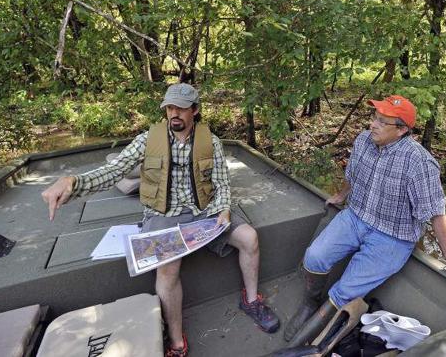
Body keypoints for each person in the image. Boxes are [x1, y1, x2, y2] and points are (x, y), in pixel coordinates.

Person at [42, 83, 279, 357]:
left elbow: (222, 184)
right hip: (163, 213)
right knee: (167, 268)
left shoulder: (210, 141)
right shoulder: (147, 139)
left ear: (195, 110)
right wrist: (74, 182)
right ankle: (177, 342)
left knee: (249, 237)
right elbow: (114, 170)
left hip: (204, 210)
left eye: (181, 108)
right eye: (169, 107)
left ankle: (251, 301)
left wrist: (224, 208)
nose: (174, 113)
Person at [284, 94, 446, 345]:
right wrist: (341, 195)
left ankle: (302, 341)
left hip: (392, 237)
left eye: (381, 122)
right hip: (356, 216)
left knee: (345, 292)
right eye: (374, 118)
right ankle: (309, 303)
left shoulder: (419, 163)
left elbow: (436, 215)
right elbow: (353, 174)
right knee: (314, 257)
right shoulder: (364, 141)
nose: (372, 125)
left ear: (401, 130)